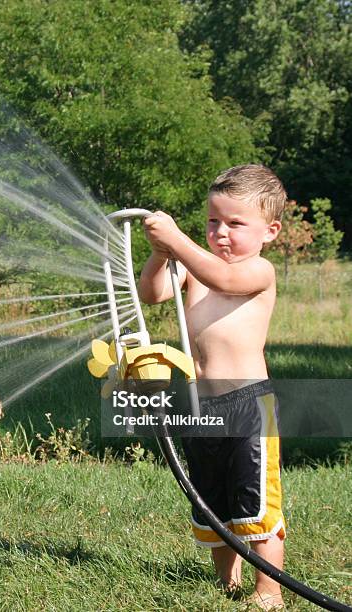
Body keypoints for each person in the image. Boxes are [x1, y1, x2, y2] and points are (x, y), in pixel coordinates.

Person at [138, 164, 287, 610]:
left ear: (270, 231)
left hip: (247, 405)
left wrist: (178, 243)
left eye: (235, 224)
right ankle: (228, 582)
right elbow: (152, 293)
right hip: (202, 406)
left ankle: (270, 590)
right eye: (212, 221)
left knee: (256, 506)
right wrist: (159, 253)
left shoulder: (257, 271)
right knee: (212, 503)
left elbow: (223, 279)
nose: (220, 233)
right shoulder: (192, 267)